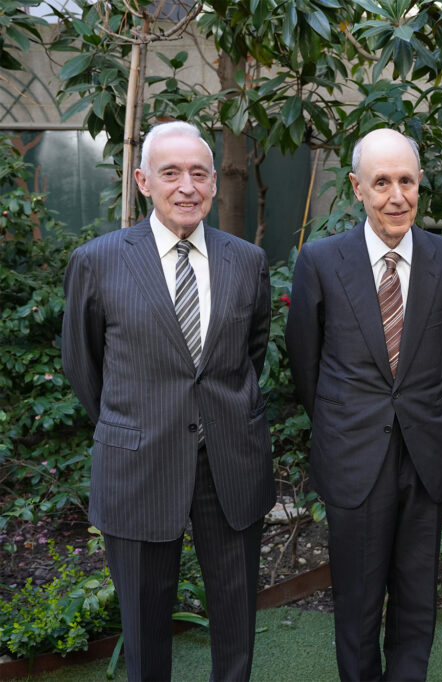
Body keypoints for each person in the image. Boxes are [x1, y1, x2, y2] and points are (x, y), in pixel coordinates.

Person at [62, 120, 274, 681]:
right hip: (139, 463)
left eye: (199, 174)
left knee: (236, 619)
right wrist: (134, 423)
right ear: (143, 181)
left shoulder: (247, 260)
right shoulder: (98, 260)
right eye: (171, 173)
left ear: (214, 183)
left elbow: (250, 354)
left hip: (230, 461)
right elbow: (83, 365)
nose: (187, 186)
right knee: (144, 625)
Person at [285, 128, 442, 682]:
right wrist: (346, 422)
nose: (396, 196)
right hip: (353, 456)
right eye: (381, 182)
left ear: (420, 184)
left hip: (425, 454)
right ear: (357, 188)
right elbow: (306, 363)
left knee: (417, 602)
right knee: (358, 605)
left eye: (406, 181)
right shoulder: (320, 260)